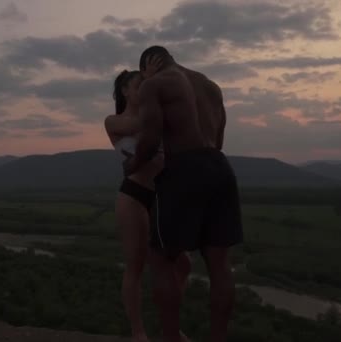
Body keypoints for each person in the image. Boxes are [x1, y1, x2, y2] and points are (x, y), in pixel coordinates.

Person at [123, 46, 243, 342]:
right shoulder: (210, 86)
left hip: (184, 167)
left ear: (148, 65)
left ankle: (170, 338)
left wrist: (132, 164)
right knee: (220, 265)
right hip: (219, 168)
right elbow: (219, 139)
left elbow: (150, 141)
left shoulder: (156, 84)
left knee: (161, 257)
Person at [104, 70, 190, 342]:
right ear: (126, 92)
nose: (147, 89)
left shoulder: (154, 119)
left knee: (183, 264)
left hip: (161, 196)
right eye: (141, 85)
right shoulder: (115, 121)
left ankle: (170, 324)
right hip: (133, 195)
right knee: (136, 266)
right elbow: (138, 126)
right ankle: (138, 332)